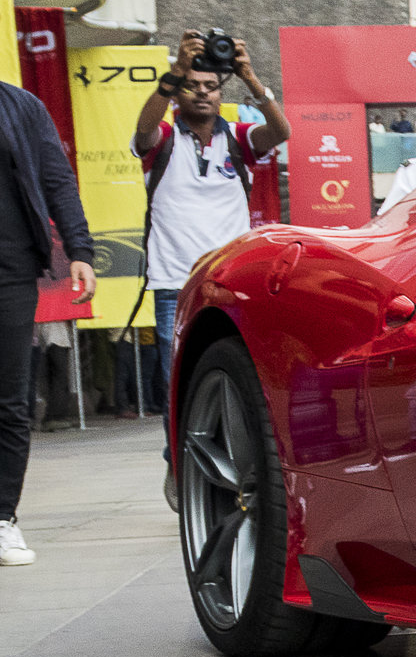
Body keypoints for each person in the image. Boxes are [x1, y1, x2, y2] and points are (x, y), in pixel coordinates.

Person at [130, 32, 289, 414]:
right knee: (180, 390)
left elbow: (282, 132)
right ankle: (178, 468)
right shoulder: (164, 138)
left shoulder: (238, 138)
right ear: (178, 95)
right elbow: (142, 129)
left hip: (229, 285)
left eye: (211, 86)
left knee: (237, 382)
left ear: (221, 94)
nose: (202, 93)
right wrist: (175, 72)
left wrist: (249, 77)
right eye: (192, 86)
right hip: (174, 285)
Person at [0, 79, 96, 566]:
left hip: (9, 270)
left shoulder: (19, 105)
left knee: (9, 401)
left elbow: (57, 179)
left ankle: (2, 520)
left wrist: (80, 250)